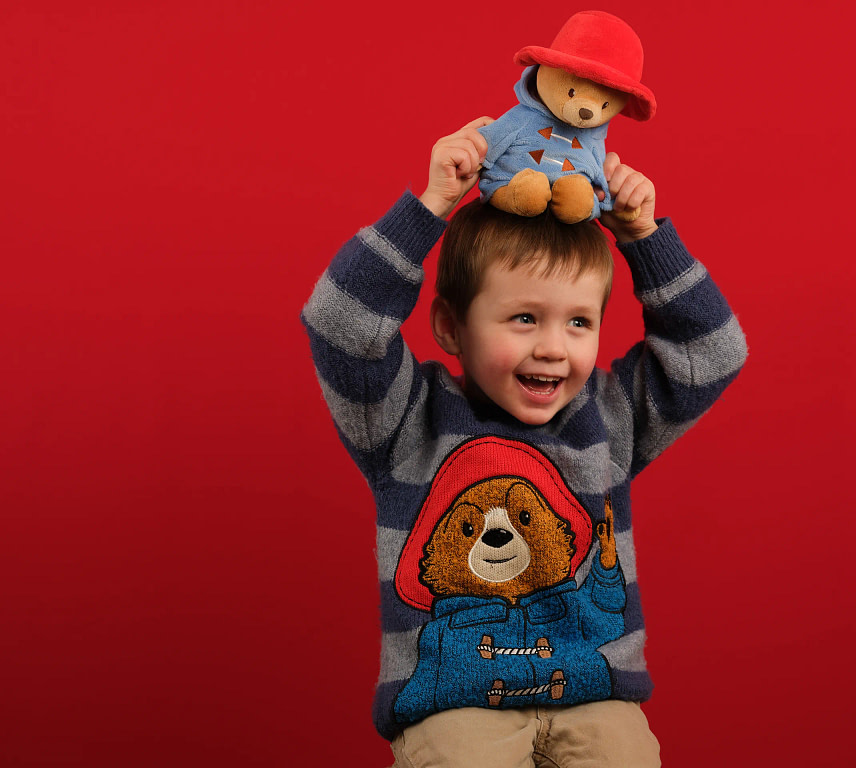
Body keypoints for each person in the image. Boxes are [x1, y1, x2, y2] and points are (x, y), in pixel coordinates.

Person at [301, 117, 747, 767]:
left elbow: (712, 354)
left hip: (593, 696)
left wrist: (645, 239)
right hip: (455, 708)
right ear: (451, 327)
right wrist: (428, 209)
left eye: (578, 322)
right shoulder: (406, 420)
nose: (552, 347)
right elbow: (339, 323)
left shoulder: (608, 416)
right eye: (524, 318)